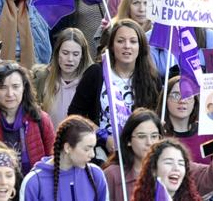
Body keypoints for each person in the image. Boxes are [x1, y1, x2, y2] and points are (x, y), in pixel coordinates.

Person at [68, 19, 164, 155]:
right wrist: (103, 137)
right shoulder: (96, 73)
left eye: (133, 41)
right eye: (120, 41)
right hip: (101, 152)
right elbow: (75, 114)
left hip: (140, 154)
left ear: (141, 46)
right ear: (112, 46)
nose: (127, 46)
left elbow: (157, 116)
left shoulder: (152, 78)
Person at [18, 114, 107, 201]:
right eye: (87, 149)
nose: (92, 155)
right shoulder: (34, 182)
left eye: (93, 147)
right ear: (67, 148)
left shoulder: (96, 174)